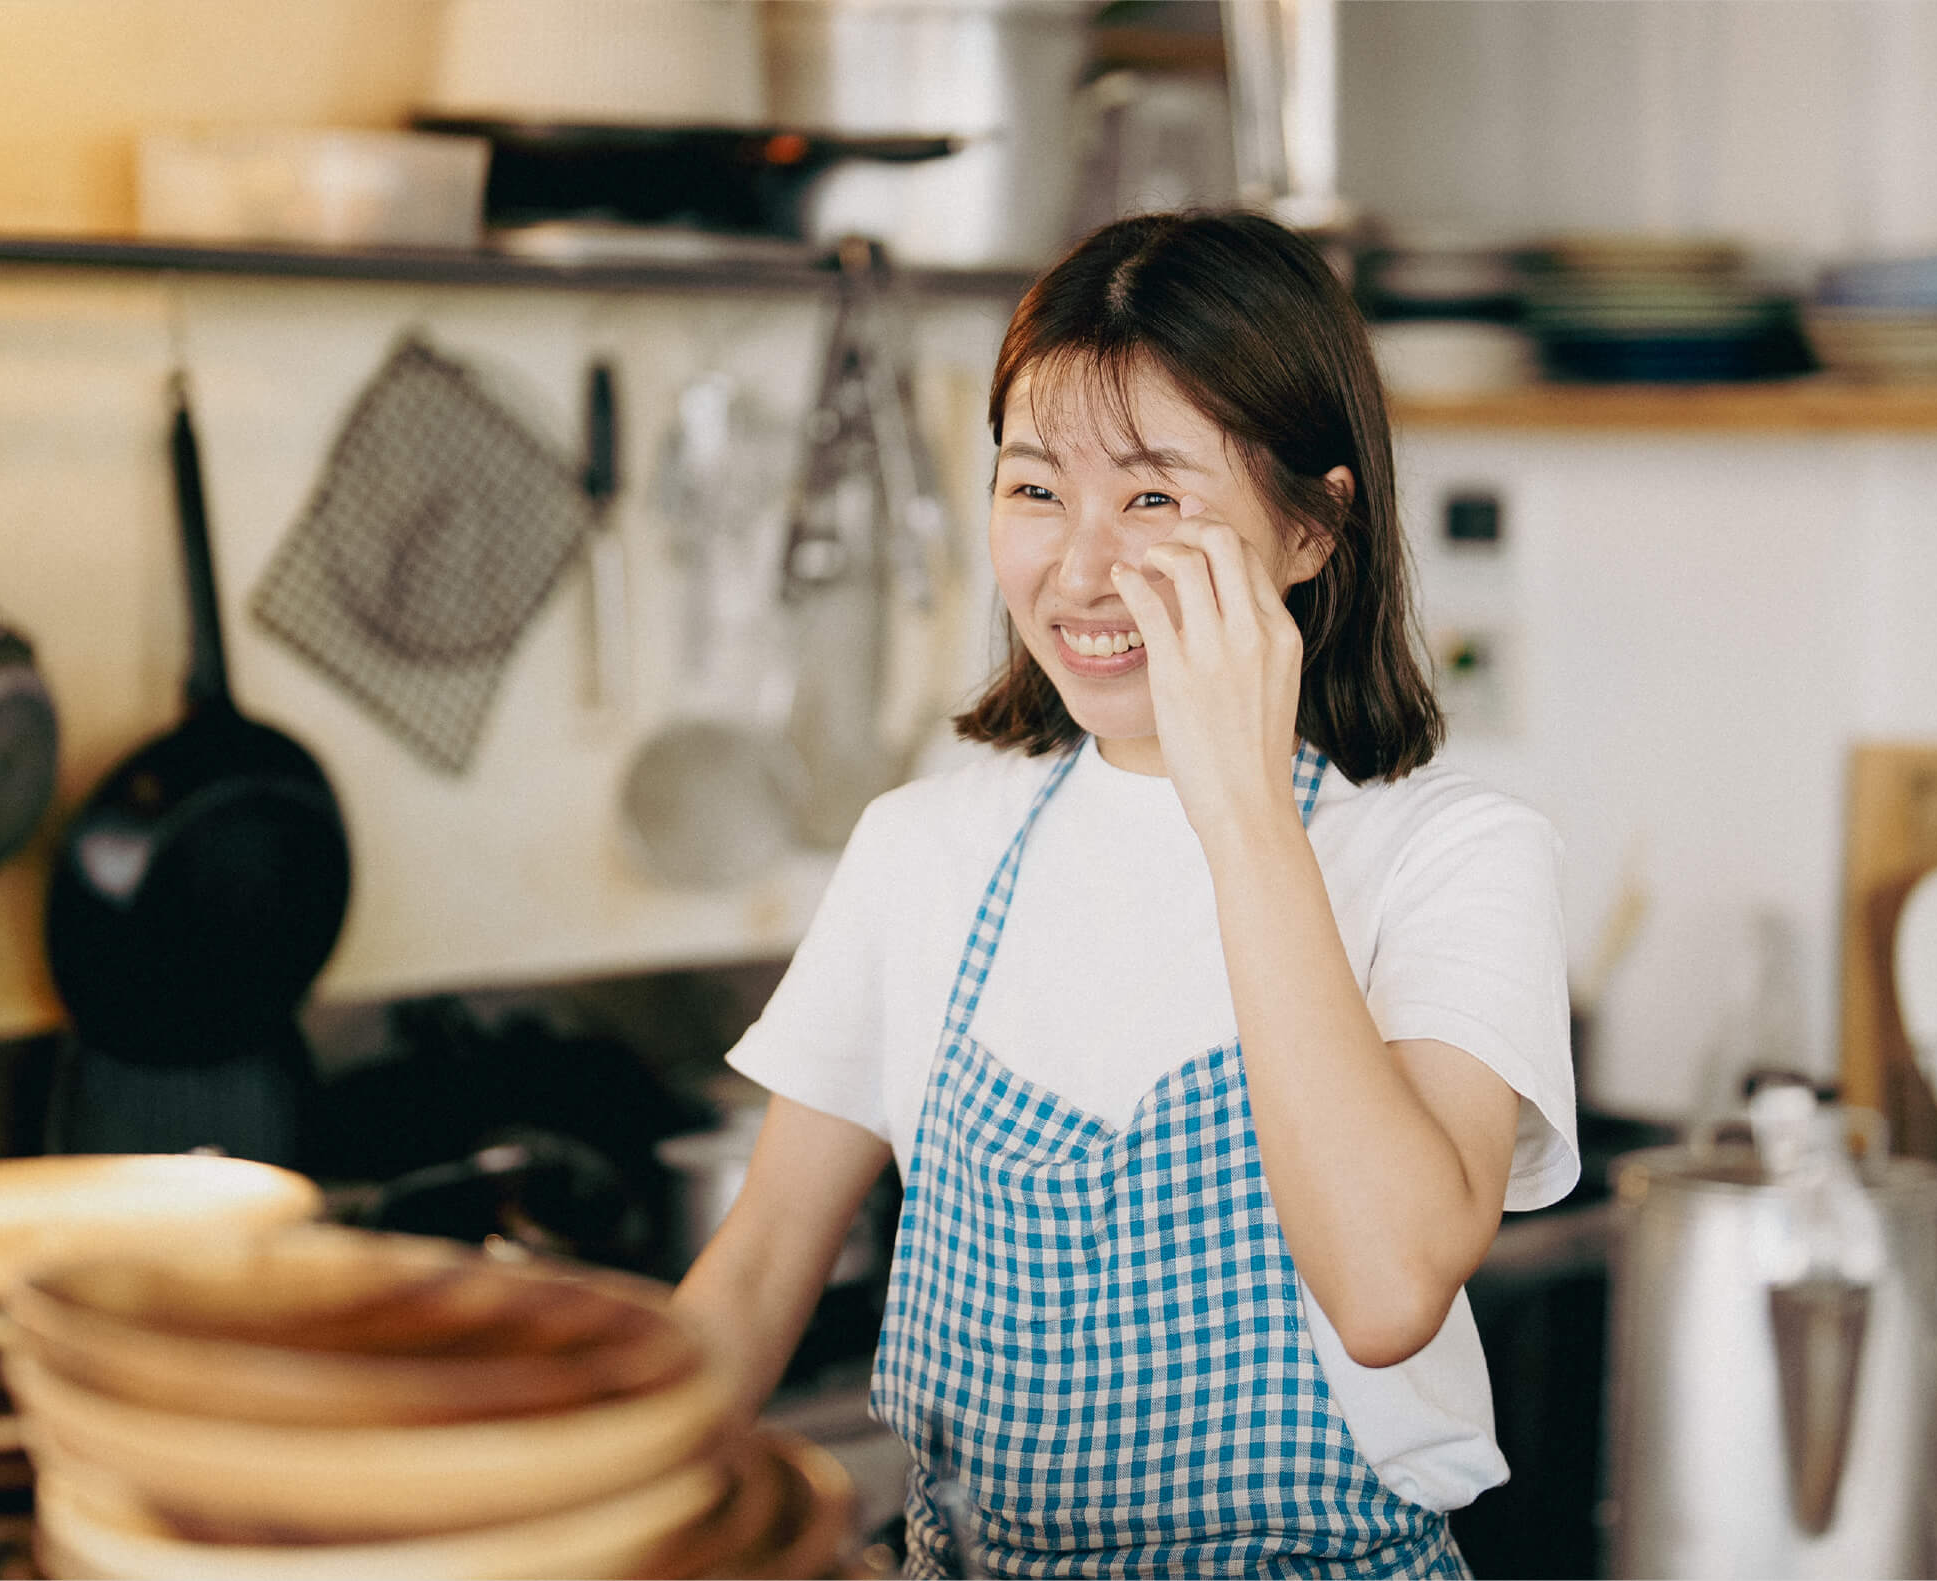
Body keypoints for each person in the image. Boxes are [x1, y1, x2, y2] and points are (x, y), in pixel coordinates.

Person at [673, 210, 1577, 1579]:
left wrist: (1234, 801)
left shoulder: (1451, 853)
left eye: (1153, 496)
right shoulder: (927, 848)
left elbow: (1390, 1285)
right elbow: (754, 1272)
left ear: (1311, 528)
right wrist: (557, 1495)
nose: (1079, 568)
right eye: (1035, 489)